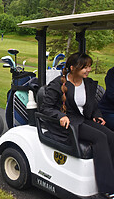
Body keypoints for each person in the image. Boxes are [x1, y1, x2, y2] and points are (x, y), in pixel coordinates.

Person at [40, 52, 114, 198]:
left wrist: (97, 115)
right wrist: (60, 115)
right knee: (100, 138)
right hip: (67, 123)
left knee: (111, 135)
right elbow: (46, 107)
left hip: (82, 119)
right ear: (73, 68)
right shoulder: (58, 84)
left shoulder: (87, 83)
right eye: (84, 67)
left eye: (89, 67)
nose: (88, 70)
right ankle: (107, 188)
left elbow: (92, 106)